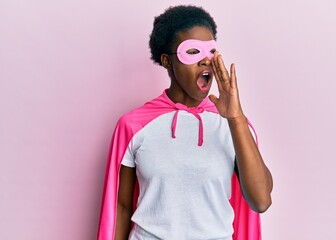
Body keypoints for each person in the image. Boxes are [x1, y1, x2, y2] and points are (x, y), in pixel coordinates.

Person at [97, 5, 273, 240]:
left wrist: (236, 118)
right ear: (167, 62)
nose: (205, 62)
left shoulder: (233, 125)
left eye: (211, 52)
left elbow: (261, 200)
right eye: (192, 52)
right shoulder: (133, 125)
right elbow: (121, 207)